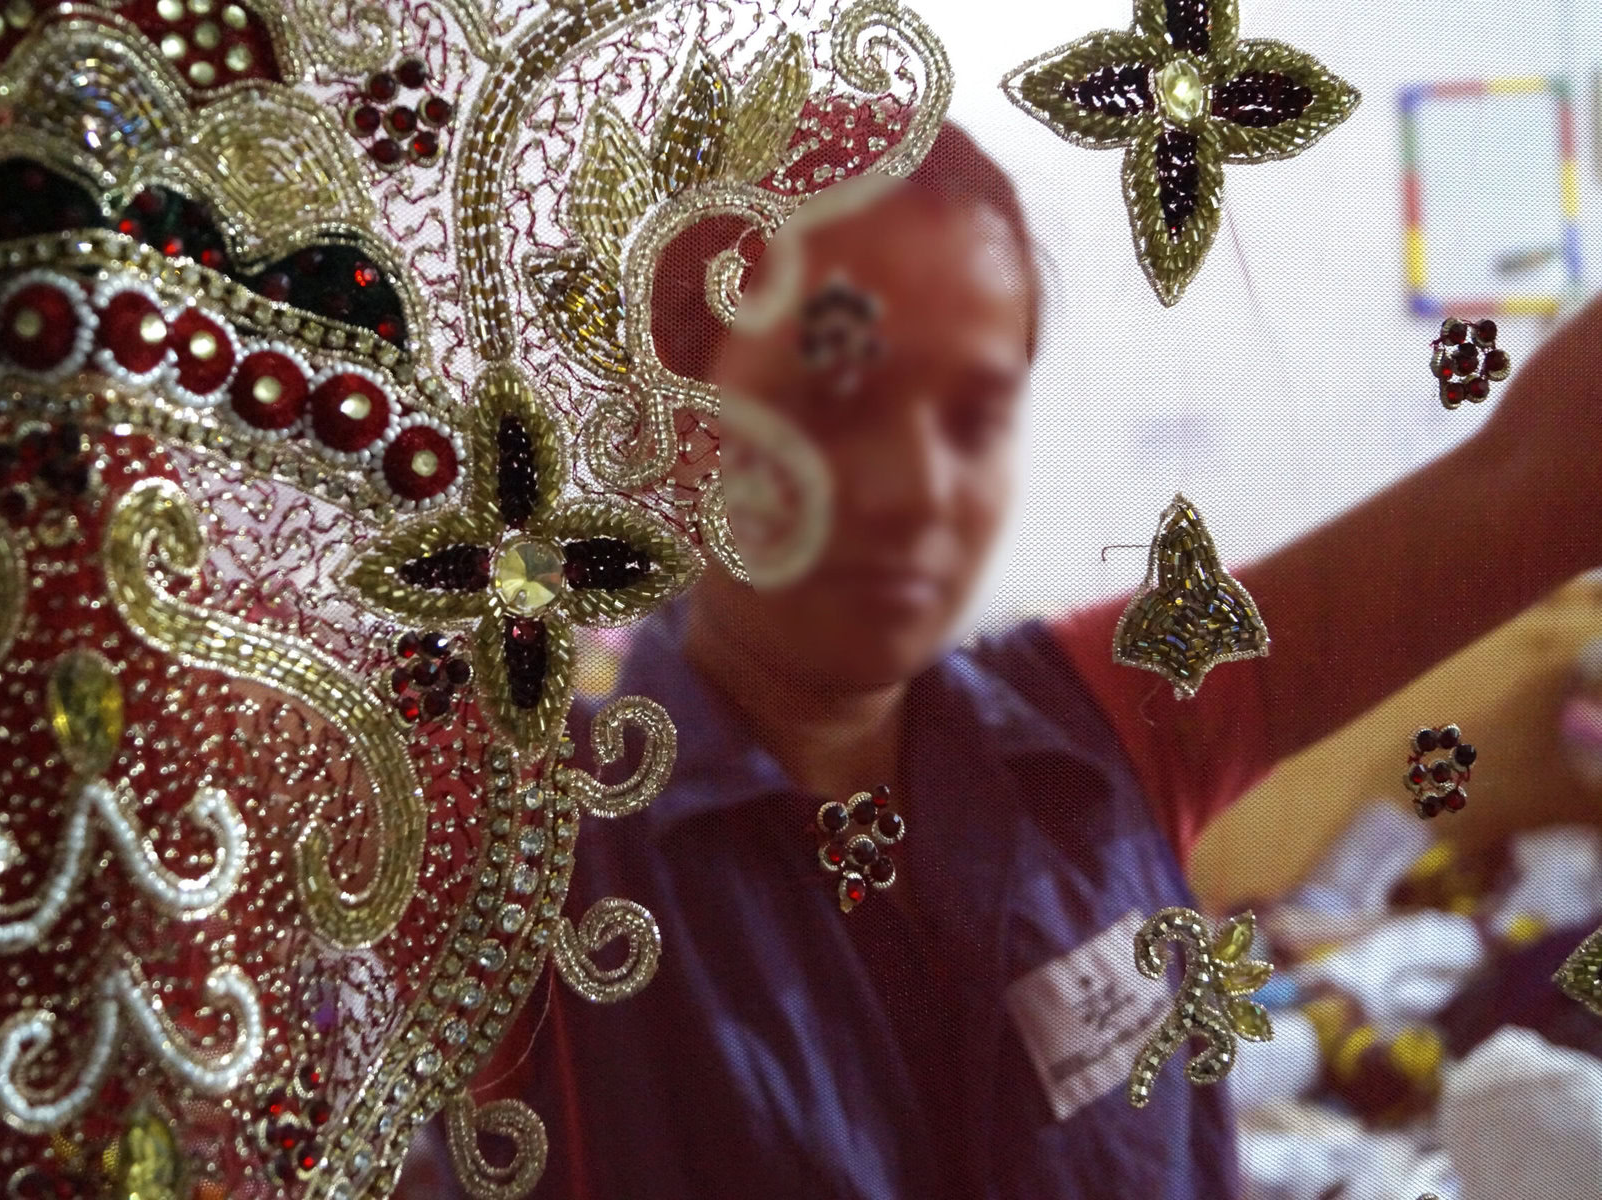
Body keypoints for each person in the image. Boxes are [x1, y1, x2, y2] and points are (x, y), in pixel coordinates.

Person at [479, 119, 1602, 1199]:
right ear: (678, 419)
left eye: (975, 413)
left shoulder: (1098, 724)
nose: (923, 484)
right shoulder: (527, 855)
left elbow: (1525, 487)